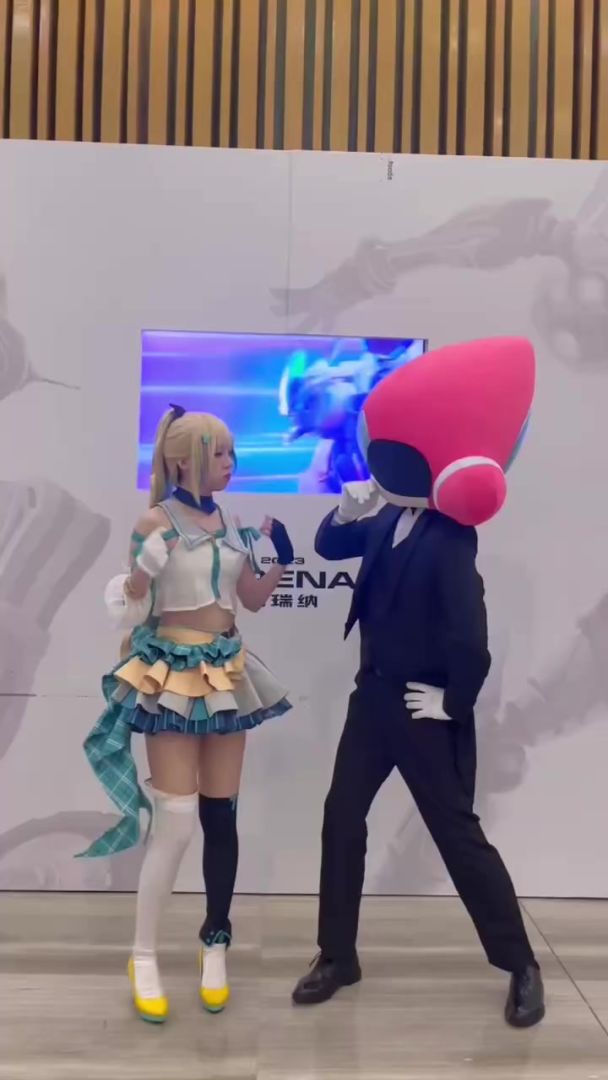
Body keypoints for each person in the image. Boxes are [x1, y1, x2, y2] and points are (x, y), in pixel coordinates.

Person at [292, 337, 545, 1029]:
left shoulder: (451, 536)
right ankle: (337, 956)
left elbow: (471, 638)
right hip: (371, 700)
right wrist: (348, 508)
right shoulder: (384, 517)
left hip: (421, 709)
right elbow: (328, 545)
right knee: (342, 819)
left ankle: (521, 964)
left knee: (456, 834)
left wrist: (450, 701)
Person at [80, 406, 293, 1024]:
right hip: (172, 673)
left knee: (221, 817)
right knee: (174, 822)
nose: (229, 463)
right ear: (181, 460)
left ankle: (215, 941)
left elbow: (249, 599)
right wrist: (140, 574)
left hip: (226, 671)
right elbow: (131, 608)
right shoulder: (155, 521)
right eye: (217, 453)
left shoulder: (231, 522)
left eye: (230, 453)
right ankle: (143, 954)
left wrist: (279, 558)